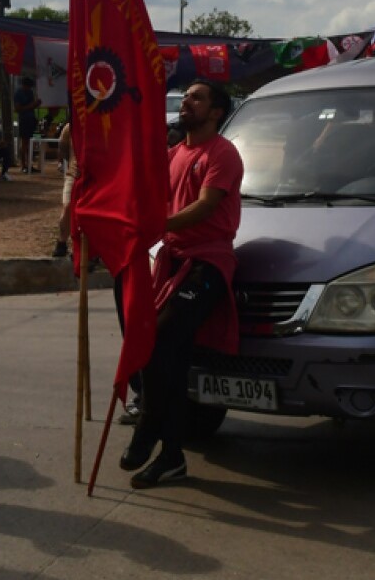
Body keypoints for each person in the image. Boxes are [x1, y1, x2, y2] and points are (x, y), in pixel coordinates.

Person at [120, 79, 243, 488]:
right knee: (162, 358)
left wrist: (157, 224)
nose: (187, 102)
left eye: (197, 97)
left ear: (216, 112)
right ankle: (171, 455)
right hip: (171, 262)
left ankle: (147, 431)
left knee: (161, 340)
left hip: (207, 262)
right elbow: (139, 186)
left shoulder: (222, 153)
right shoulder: (175, 153)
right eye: (187, 97)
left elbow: (206, 206)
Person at [51, 122, 76, 257]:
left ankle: (89, 249)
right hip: (74, 174)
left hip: (97, 177)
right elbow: (63, 149)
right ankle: (61, 242)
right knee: (67, 207)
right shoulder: (70, 127)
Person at [13, 76, 41, 172]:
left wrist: (36, 104)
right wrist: (31, 105)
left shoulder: (30, 92)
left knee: (31, 142)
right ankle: (23, 165)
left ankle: (30, 164)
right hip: (24, 119)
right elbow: (17, 109)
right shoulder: (18, 94)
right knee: (24, 142)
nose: (29, 89)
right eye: (28, 86)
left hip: (31, 118)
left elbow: (32, 105)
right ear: (24, 85)